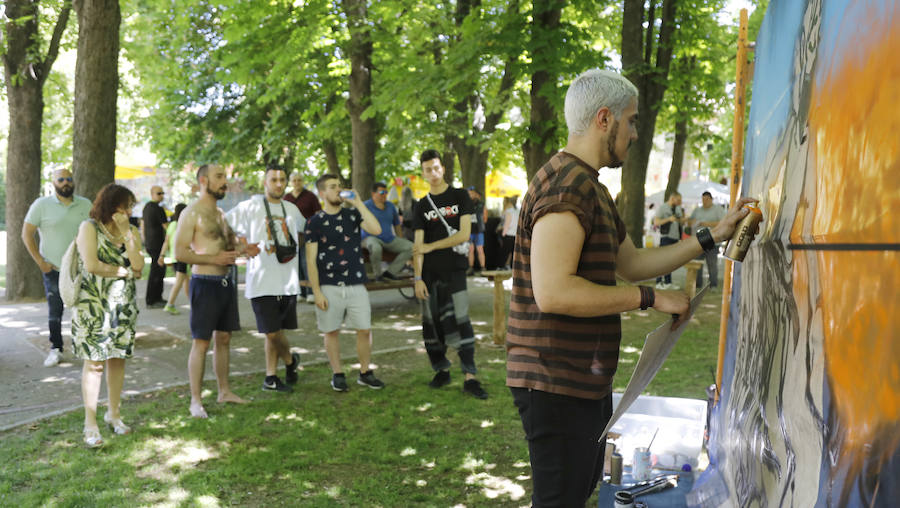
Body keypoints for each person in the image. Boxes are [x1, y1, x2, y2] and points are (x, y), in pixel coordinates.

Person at [506, 68, 757, 507]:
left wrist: (712, 235)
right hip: (553, 380)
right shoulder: (567, 186)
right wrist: (650, 298)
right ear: (605, 119)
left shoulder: (591, 187)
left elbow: (634, 263)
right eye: (632, 120)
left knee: (576, 492)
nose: (636, 132)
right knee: (560, 500)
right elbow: (554, 292)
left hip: (578, 379)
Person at [174, 164, 260, 418]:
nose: (225, 182)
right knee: (201, 342)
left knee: (224, 339)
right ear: (203, 180)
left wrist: (247, 250)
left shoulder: (221, 214)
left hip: (226, 284)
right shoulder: (191, 213)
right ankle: (195, 401)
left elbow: (229, 246)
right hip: (205, 285)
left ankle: (224, 391)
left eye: (225, 177)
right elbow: (180, 252)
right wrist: (215, 259)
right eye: (219, 177)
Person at [71, 184, 145, 447]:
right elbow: (92, 265)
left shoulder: (132, 231)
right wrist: (122, 272)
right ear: (112, 206)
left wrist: (126, 234)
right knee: (94, 363)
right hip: (92, 305)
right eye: (126, 206)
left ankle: (114, 414)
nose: (129, 211)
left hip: (122, 307)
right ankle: (90, 423)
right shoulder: (88, 228)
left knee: (117, 360)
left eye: (130, 207)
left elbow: (138, 266)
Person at [412, 150, 488, 400]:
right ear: (422, 173)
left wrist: (432, 246)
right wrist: (417, 278)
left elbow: (464, 234)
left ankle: (470, 377)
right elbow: (417, 246)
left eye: (436, 168)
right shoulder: (421, 205)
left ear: (442, 168)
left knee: (461, 320)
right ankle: (441, 370)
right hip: (429, 275)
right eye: (427, 169)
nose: (432, 173)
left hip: (454, 271)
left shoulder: (459, 196)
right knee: (432, 325)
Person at [226, 165, 305, 393]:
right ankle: (290, 361)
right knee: (271, 331)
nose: (278, 184)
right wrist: (241, 247)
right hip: (261, 282)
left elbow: (307, 232)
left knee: (276, 332)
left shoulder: (291, 209)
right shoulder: (251, 206)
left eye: (282, 179)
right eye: (274, 180)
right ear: (265, 182)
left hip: (287, 280)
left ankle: (271, 377)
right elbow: (224, 225)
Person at [305, 174, 385, 392]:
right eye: (333, 187)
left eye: (339, 186)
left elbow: (377, 230)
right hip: (329, 285)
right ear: (322, 193)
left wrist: (358, 202)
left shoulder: (352, 214)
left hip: (356, 283)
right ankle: (337, 373)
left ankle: (365, 372)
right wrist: (317, 292)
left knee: (365, 330)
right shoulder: (314, 222)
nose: (339, 190)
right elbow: (310, 261)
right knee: (331, 331)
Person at [22, 168, 92, 367]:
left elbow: (95, 232)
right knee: (55, 312)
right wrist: (41, 262)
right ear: (53, 183)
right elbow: (26, 234)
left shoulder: (85, 204)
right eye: (61, 179)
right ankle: (56, 349)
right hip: (53, 269)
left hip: (81, 268)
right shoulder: (41, 205)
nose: (65, 183)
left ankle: (85, 346)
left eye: (69, 179)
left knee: (84, 309)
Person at [361, 181, 413, 281]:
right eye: (381, 193)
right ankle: (378, 275)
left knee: (411, 247)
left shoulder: (390, 206)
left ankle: (390, 272)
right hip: (369, 238)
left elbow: (397, 224)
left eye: (386, 192)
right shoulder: (365, 206)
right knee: (376, 248)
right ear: (373, 194)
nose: (384, 195)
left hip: (389, 238)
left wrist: (401, 240)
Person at [284, 170, 321, 303]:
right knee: (296, 263)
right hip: (292, 235)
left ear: (302, 182)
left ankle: (311, 292)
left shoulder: (310, 196)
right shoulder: (287, 197)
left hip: (308, 233)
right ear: (291, 182)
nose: (297, 183)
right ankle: (301, 292)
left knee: (307, 262)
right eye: (294, 180)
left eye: (299, 180)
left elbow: (318, 214)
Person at [689, 191, 727, 288]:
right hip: (698, 240)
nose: (704, 201)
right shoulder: (697, 210)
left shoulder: (718, 209)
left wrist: (704, 223)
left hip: (712, 240)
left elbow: (722, 223)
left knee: (712, 264)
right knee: (697, 263)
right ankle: (697, 285)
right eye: (703, 199)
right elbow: (689, 221)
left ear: (711, 199)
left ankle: (713, 285)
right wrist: (692, 222)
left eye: (706, 199)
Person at [158, 203, 189, 315]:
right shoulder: (182, 225)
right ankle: (170, 304)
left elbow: (166, 241)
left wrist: (162, 255)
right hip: (181, 256)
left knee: (186, 280)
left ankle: (193, 303)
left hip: (174, 257)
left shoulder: (172, 225)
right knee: (180, 281)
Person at [142, 185, 168, 308]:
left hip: (150, 243)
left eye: (162, 193)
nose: (161, 195)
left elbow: (142, 225)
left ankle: (156, 297)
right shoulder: (157, 208)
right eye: (159, 193)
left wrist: (144, 240)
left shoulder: (146, 207)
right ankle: (152, 299)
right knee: (157, 271)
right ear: (152, 194)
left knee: (158, 270)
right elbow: (166, 226)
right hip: (156, 244)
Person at [653, 191, 686, 289]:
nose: (680, 202)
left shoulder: (678, 208)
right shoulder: (663, 208)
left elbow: (680, 221)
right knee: (662, 260)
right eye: (678, 200)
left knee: (671, 261)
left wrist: (682, 220)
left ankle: (668, 283)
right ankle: (659, 282)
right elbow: (656, 222)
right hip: (665, 237)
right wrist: (668, 219)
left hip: (675, 238)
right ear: (672, 198)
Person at [466, 186, 487, 275]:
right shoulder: (466, 204)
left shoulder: (482, 205)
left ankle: (483, 268)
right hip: (469, 230)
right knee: (470, 249)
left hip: (479, 230)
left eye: (472, 193)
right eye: (469, 193)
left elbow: (485, 218)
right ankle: (470, 268)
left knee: (480, 249)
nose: (470, 195)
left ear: (476, 194)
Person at [499, 196, 519, 270]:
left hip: (509, 234)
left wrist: (503, 233)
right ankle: (512, 266)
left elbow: (507, 224)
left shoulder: (509, 211)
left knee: (505, 252)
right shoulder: (518, 211)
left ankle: (502, 266)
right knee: (514, 252)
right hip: (516, 234)